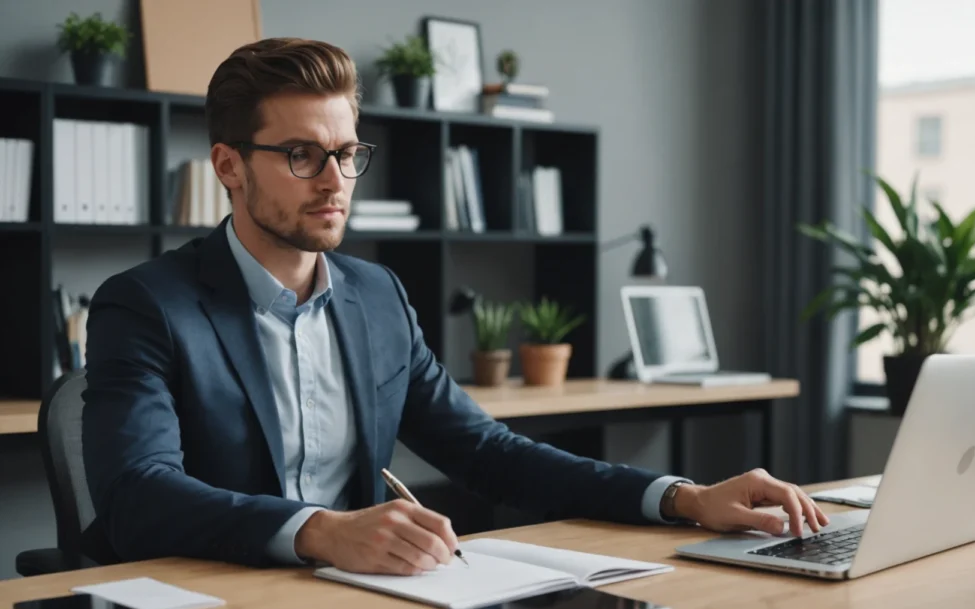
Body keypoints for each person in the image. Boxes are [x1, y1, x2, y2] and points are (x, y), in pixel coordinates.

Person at [81, 37, 828, 576]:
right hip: (213, 601)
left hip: (356, 598)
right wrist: (318, 531)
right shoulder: (146, 305)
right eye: (303, 155)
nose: (335, 180)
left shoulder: (375, 296)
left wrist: (686, 499)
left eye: (347, 154)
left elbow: (488, 453)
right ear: (229, 167)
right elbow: (137, 494)